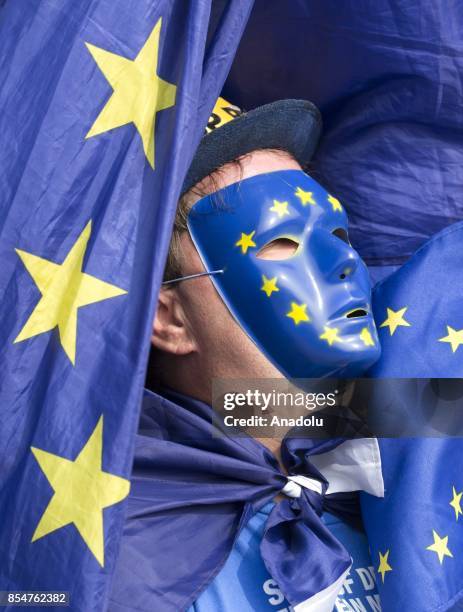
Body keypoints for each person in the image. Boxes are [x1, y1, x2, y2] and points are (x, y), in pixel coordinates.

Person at [110, 99, 385, 612]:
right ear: (169, 318)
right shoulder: (108, 557)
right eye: (283, 242)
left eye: (340, 233)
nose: (348, 261)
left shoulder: (413, 442)